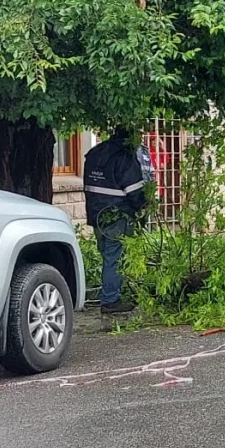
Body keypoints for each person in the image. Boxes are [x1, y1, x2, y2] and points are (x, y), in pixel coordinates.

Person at [83, 128, 147, 314]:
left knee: (107, 254)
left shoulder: (95, 153)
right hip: (118, 214)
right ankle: (110, 300)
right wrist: (142, 209)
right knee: (114, 258)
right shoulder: (125, 157)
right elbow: (135, 192)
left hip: (96, 213)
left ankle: (110, 292)